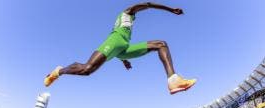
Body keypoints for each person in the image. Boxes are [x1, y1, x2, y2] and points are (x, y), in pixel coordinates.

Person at [44, 2, 196, 94]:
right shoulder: (127, 11)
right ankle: (59, 71)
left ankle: (173, 79)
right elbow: (148, 4)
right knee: (87, 70)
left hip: (124, 47)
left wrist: (124, 60)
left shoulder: (130, 22)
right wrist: (170, 10)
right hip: (115, 40)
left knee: (161, 44)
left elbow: (119, 50)